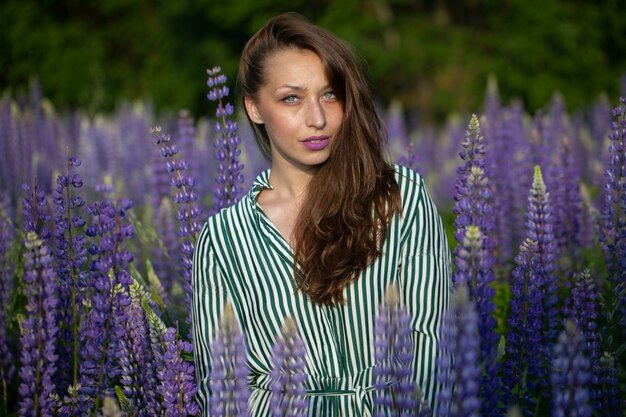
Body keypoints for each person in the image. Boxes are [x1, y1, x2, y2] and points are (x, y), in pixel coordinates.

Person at [192, 12, 451, 417]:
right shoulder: (223, 238)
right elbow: (223, 389)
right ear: (254, 108)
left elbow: (430, 350)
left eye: (330, 94)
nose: (317, 118)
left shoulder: (399, 199)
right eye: (291, 98)